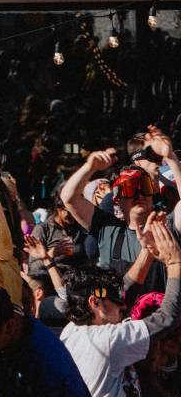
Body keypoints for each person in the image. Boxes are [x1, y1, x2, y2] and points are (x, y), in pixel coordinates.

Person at [61, 221, 181, 397]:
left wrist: (147, 251)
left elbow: (124, 292)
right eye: (115, 300)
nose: (123, 305)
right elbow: (167, 318)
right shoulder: (109, 341)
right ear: (95, 303)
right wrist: (175, 263)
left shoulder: (74, 328)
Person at [61, 127, 181, 296]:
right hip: (120, 318)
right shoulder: (108, 228)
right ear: (116, 198)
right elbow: (69, 198)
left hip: (162, 317)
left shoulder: (166, 225)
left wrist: (171, 157)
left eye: (145, 186)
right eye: (130, 187)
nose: (139, 193)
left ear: (153, 192)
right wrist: (90, 167)